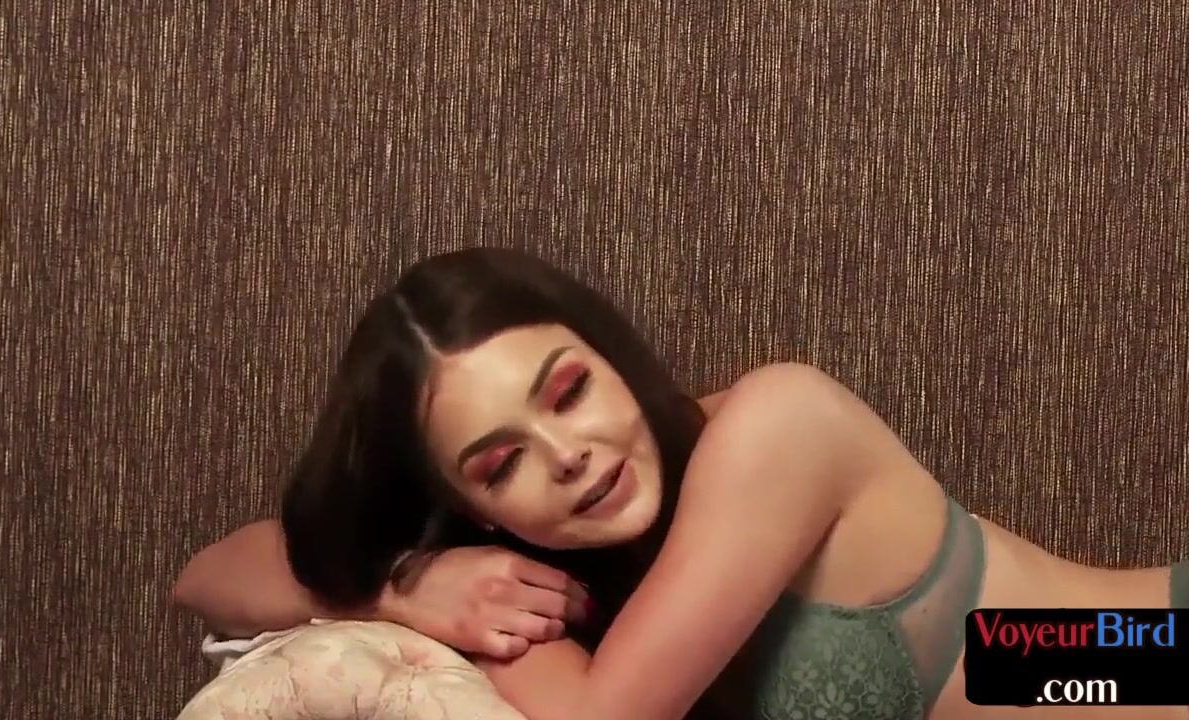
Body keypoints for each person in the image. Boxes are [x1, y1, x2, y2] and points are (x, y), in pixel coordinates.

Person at [174, 247, 1189, 720]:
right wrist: (408, 585)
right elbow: (212, 575)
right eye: (502, 461)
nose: (567, 451)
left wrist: (413, 585)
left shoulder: (777, 428)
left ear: (611, 359)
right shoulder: (524, 580)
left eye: (568, 390)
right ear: (467, 503)